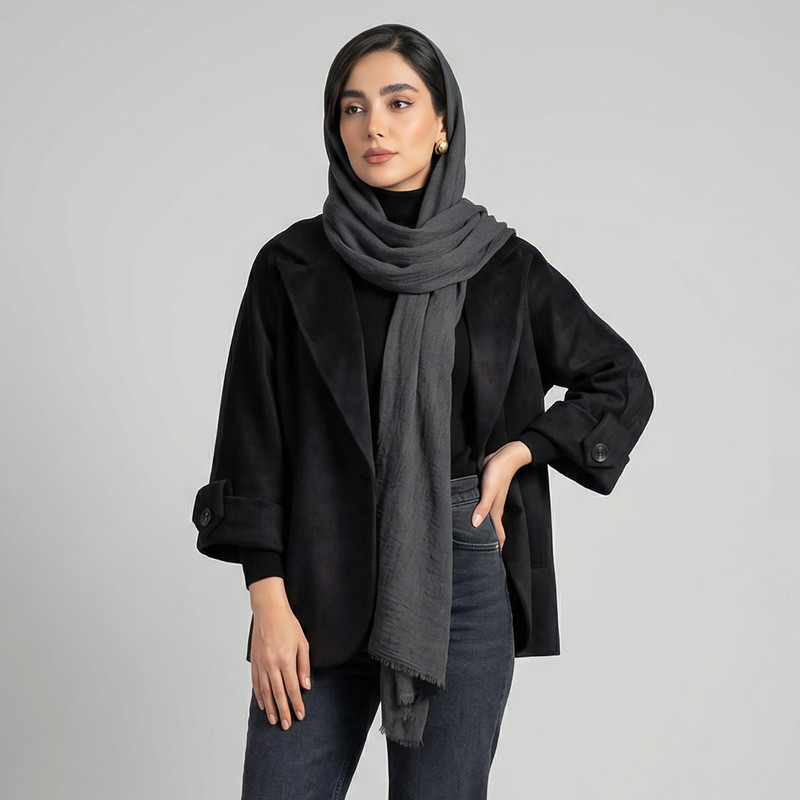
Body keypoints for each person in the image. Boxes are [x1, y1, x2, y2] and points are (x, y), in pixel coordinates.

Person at [191, 22, 654, 800]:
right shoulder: (292, 267)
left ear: (442, 124)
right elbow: (251, 443)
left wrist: (523, 450)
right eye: (352, 108)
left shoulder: (504, 268)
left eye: (398, 103)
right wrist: (267, 601)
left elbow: (619, 379)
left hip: (459, 571)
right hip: (316, 573)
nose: (374, 125)